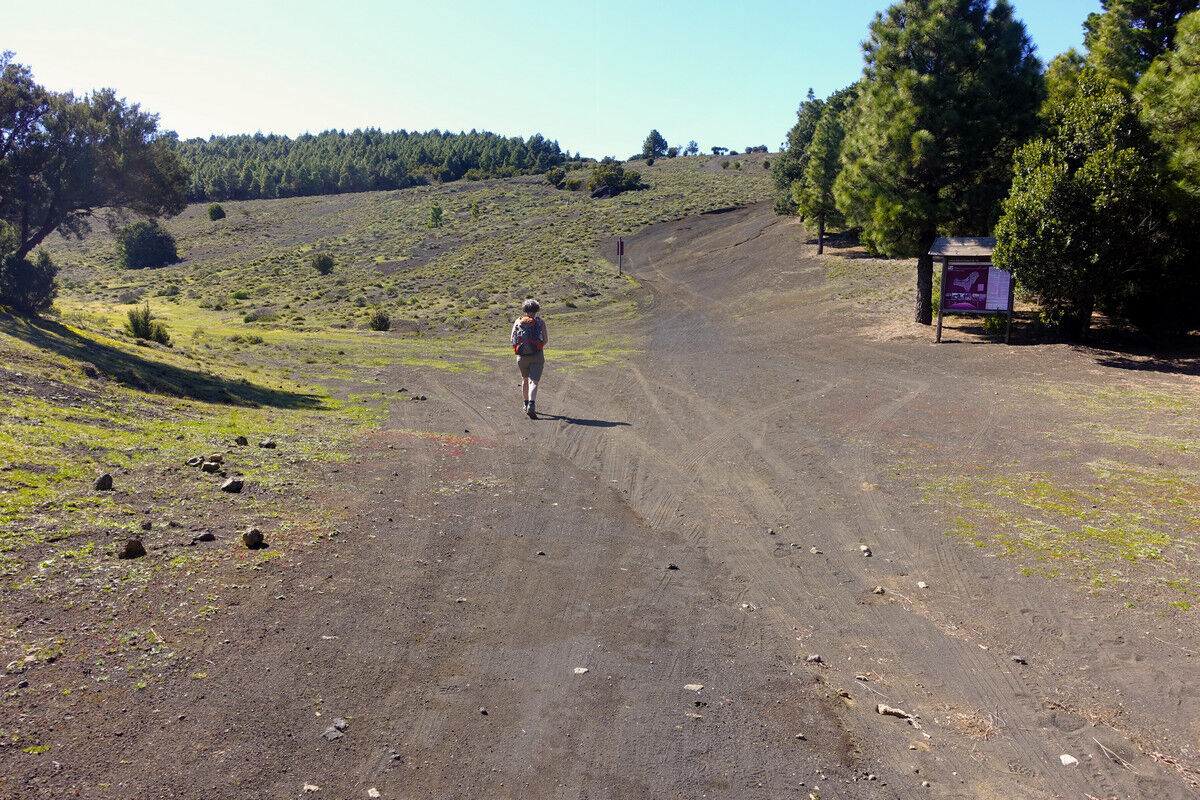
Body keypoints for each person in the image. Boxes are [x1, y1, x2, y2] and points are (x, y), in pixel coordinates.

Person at [510, 299, 548, 419]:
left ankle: (525, 403)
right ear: (537, 310)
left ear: (525, 309)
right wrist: (537, 348)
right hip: (537, 354)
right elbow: (545, 339)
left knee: (525, 379)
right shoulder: (540, 322)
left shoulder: (518, 321)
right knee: (534, 381)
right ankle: (532, 404)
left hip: (521, 356)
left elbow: (512, 339)